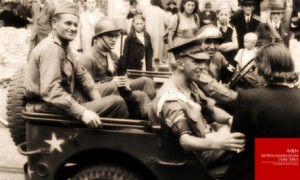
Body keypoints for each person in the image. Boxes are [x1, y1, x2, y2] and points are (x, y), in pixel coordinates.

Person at [24, 1, 128, 129]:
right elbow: (51, 91)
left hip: (62, 100)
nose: (73, 28)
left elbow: (82, 76)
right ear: (54, 23)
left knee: (112, 89)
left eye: (75, 25)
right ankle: (108, 141)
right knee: (117, 103)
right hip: (49, 108)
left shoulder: (64, 46)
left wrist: (97, 100)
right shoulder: (52, 49)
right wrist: (83, 112)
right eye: (68, 23)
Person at [152, 38, 246, 178]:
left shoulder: (191, 84)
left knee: (248, 137)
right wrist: (220, 143)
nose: (203, 66)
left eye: (203, 61)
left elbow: (212, 110)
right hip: (197, 154)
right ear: (180, 64)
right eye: (196, 62)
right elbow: (185, 141)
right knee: (255, 147)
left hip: (207, 141)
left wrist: (229, 119)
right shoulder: (171, 98)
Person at [224, 43, 300, 180]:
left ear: (261, 68)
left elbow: (236, 147)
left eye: (254, 68)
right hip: (292, 172)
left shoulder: (248, 97)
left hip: (254, 173)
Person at [80, 17, 156, 119]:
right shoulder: (88, 58)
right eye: (109, 36)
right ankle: (147, 120)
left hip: (116, 91)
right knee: (139, 96)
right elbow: (86, 89)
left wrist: (126, 82)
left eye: (115, 36)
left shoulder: (112, 55)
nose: (114, 39)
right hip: (101, 97)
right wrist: (111, 83)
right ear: (97, 37)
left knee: (147, 81)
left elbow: (118, 77)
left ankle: (153, 114)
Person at [194, 25, 238, 113]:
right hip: (199, 102)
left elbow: (233, 71)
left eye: (216, 43)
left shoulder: (218, 56)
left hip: (215, 98)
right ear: (199, 43)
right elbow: (212, 88)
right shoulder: (195, 62)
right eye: (208, 42)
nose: (212, 47)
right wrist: (242, 97)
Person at [143, 0, 168, 64]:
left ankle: (148, 62)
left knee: (148, 45)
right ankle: (156, 64)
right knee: (157, 47)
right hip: (159, 32)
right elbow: (167, 23)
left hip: (148, 31)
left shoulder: (146, 10)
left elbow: (142, 20)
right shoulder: (162, 11)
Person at [216, 4, 239, 69]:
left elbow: (236, 46)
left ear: (229, 16)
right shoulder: (214, 27)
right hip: (218, 58)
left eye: (226, 15)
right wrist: (230, 44)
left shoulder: (232, 27)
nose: (223, 17)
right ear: (217, 15)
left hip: (231, 58)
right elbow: (216, 47)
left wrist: (222, 47)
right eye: (221, 14)